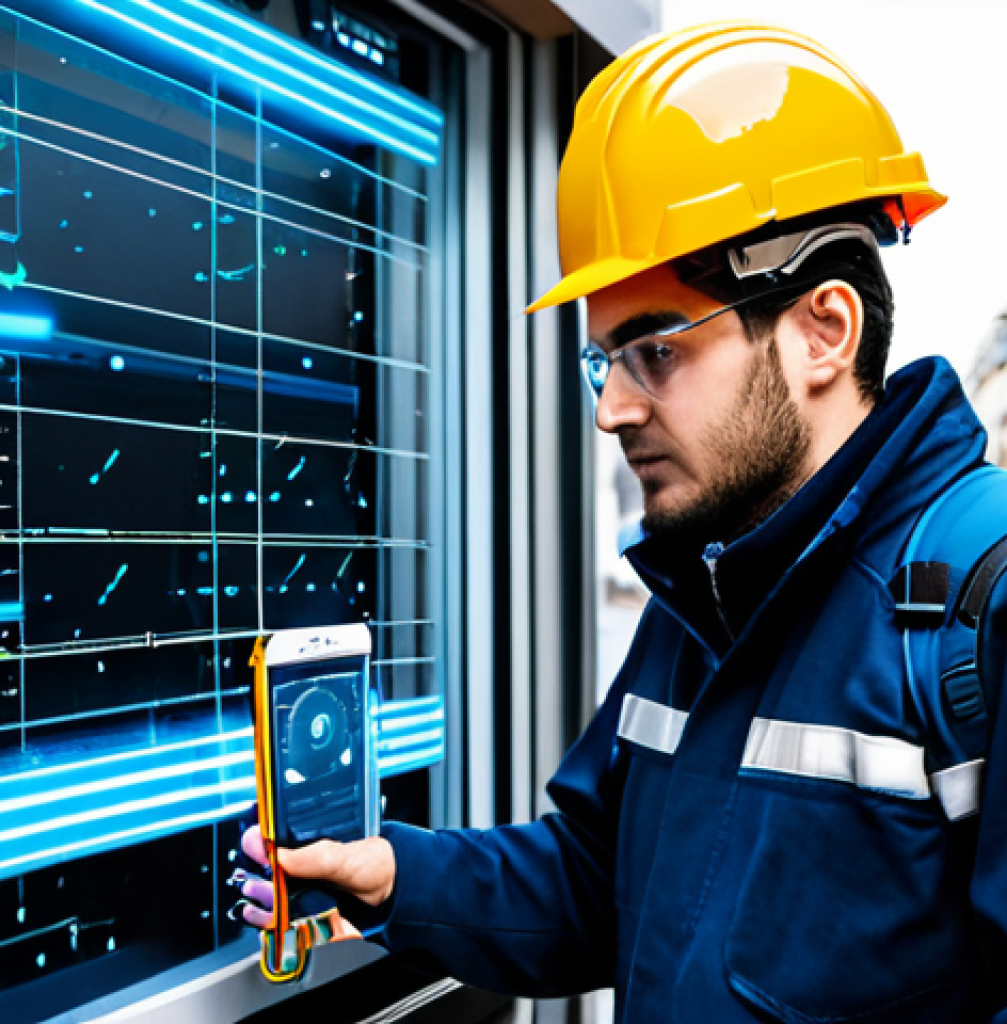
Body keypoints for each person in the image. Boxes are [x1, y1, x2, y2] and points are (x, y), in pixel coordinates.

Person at [237, 23, 1007, 1022]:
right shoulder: (709, 584)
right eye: (602, 359)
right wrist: (396, 875)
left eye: (655, 351)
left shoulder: (974, 602)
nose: (610, 408)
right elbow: (604, 889)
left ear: (822, 329)